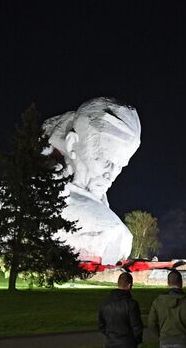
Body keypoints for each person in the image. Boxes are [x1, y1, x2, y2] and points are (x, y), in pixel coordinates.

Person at [43, 97, 142, 264]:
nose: (111, 175)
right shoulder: (45, 178)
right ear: (72, 145)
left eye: (120, 166)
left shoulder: (88, 184)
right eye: (105, 162)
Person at [148, 270, 186, 348]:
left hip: (164, 341)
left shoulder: (158, 302)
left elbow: (151, 324)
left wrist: (161, 335)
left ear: (168, 283)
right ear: (181, 282)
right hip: (183, 341)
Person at [99, 272, 144, 348]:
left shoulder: (105, 303)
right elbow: (137, 327)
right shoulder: (132, 304)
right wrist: (137, 341)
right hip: (127, 343)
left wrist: (111, 336)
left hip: (110, 342)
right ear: (129, 285)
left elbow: (101, 325)